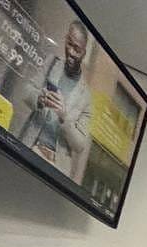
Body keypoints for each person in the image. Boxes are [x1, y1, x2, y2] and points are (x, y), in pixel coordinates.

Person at [17, 22, 93, 177]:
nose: (71, 52)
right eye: (69, 44)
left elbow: (80, 145)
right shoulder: (51, 63)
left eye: (77, 49)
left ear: (84, 53)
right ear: (65, 39)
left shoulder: (86, 96)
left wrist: (65, 118)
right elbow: (25, 91)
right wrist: (40, 99)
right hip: (30, 146)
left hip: (56, 167)